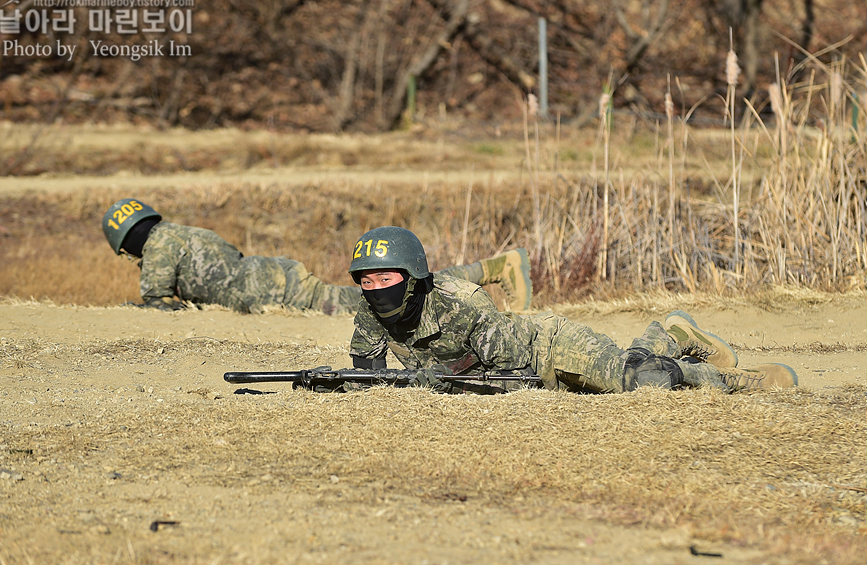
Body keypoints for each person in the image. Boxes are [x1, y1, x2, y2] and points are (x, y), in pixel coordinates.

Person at [347, 226, 798, 393]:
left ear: (415, 277)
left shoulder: (463, 304)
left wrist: (435, 383)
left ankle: (736, 379)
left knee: (645, 381)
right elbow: (369, 381)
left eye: (387, 279)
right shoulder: (370, 312)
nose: (377, 290)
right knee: (636, 372)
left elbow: (512, 376)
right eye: (367, 282)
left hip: (546, 348)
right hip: (509, 366)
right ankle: (668, 338)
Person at [101, 198, 533, 316]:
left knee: (393, 296)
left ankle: (494, 267)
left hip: (281, 290)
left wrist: (128, 309)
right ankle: (494, 267)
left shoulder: (158, 245)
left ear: (126, 245)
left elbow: (158, 302)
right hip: (277, 276)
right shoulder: (186, 233)